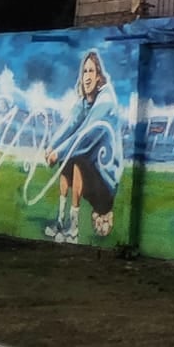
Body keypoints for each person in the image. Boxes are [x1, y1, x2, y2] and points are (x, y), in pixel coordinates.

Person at [44, 50, 124, 243]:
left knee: (78, 158)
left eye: (91, 71)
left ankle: (74, 229)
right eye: (84, 72)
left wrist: (59, 151)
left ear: (98, 77)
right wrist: (52, 147)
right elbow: (71, 123)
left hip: (106, 181)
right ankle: (60, 221)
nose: (87, 76)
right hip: (92, 173)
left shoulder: (105, 101)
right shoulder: (85, 101)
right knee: (67, 160)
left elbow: (86, 134)